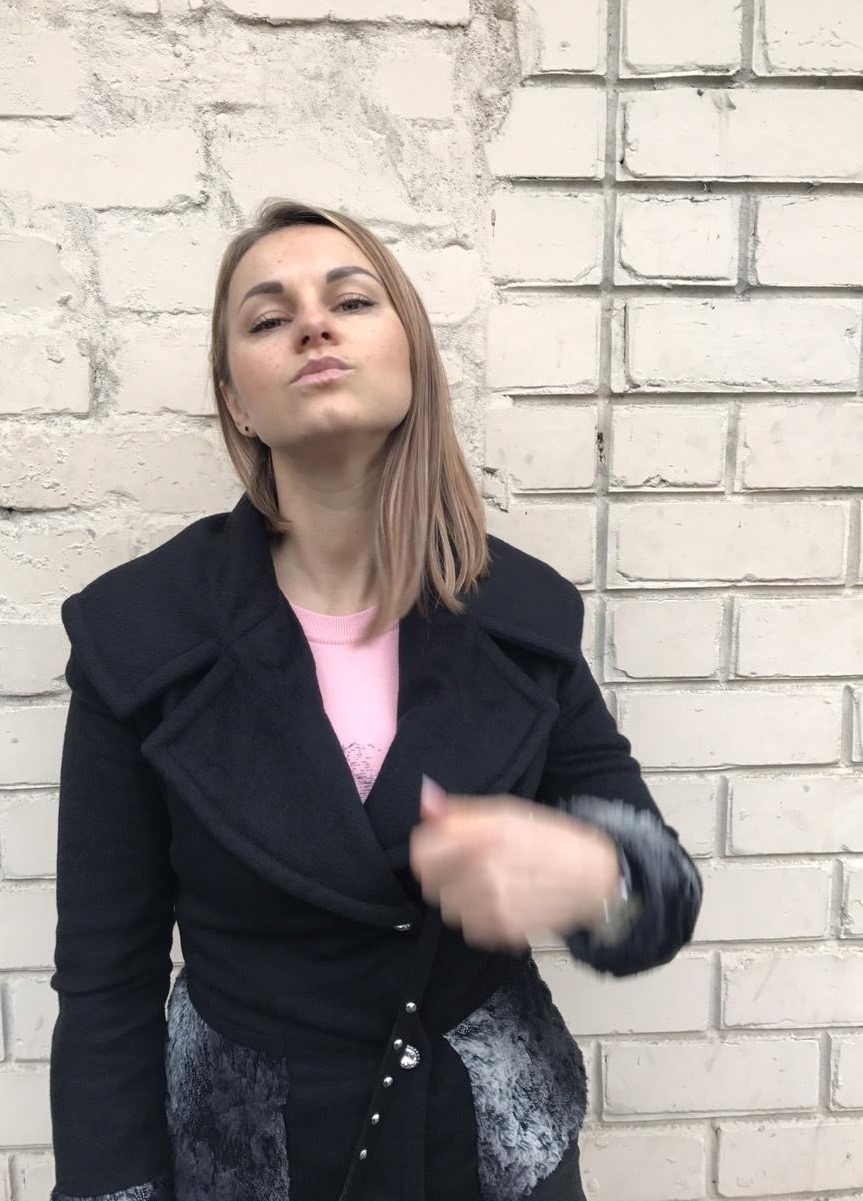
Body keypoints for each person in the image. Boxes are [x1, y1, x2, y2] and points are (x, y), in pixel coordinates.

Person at [48, 197, 703, 1201]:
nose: (314, 325)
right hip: (257, 1158)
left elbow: (657, 886)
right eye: (269, 318)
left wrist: (595, 874)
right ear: (235, 403)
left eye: (351, 301)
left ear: (412, 358)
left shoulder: (522, 614)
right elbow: (106, 974)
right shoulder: (139, 634)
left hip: (488, 1147)